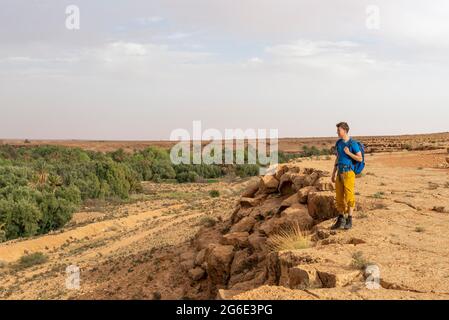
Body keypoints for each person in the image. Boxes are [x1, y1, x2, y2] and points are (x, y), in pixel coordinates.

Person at [331, 122, 363, 230]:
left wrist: (349, 153)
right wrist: (333, 172)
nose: (337, 132)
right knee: (339, 196)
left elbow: (360, 158)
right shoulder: (339, 143)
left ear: (344, 130)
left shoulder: (352, 143)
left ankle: (349, 219)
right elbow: (338, 157)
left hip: (349, 173)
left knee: (349, 196)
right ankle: (341, 219)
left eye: (338, 130)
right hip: (340, 172)